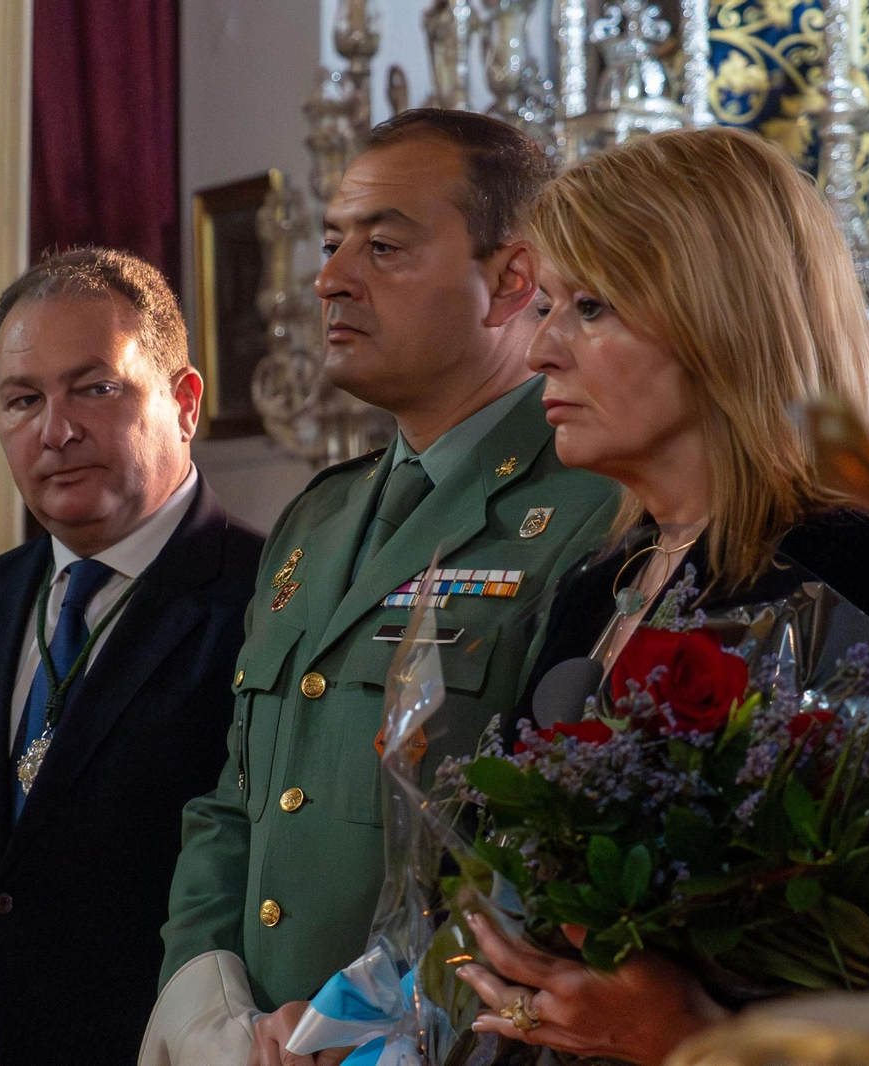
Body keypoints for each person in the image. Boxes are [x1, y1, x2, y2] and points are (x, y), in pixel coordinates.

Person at [452, 126, 869, 1065]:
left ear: (723, 317)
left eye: (590, 307)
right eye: (546, 305)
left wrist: (698, 1035)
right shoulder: (595, 585)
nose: (542, 348)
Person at [146, 110, 621, 1066]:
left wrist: (362, 1033)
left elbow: (550, 858)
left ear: (513, 281)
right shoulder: (317, 522)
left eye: (385, 246)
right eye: (329, 245)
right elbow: (234, 804)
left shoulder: (595, 513)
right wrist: (214, 1021)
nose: (330, 279)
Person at [0, 246, 265, 1066]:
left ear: (186, 401)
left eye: (96, 388)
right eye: (24, 400)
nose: (56, 431)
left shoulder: (266, 601)